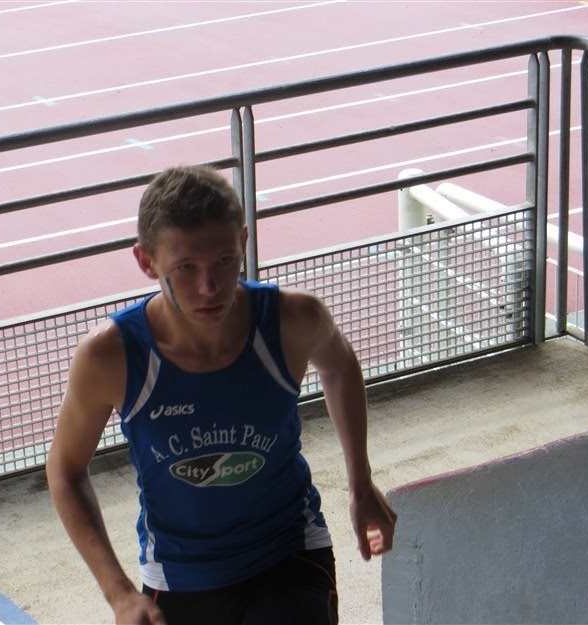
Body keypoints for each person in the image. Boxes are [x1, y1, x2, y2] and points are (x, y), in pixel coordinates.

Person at [46, 164, 397, 625]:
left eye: (225, 261)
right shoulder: (111, 357)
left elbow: (339, 366)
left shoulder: (293, 320)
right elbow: (65, 469)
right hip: (178, 575)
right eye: (186, 268)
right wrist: (119, 594)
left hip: (287, 551)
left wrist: (360, 484)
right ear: (147, 262)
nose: (209, 287)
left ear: (243, 243)